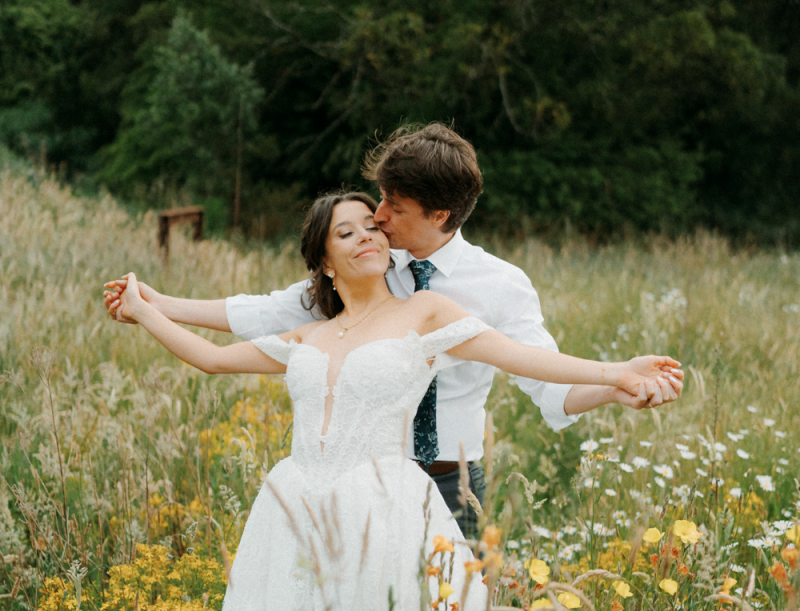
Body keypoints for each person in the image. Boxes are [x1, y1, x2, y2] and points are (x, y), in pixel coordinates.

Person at [107, 189, 682, 611]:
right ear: (324, 261)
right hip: (294, 514)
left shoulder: (426, 311)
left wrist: (617, 374)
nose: (368, 236)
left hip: (383, 509)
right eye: (347, 232)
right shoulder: (309, 335)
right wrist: (144, 309)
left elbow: (518, 357)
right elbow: (210, 358)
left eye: (371, 227)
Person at [104, 124, 682, 536]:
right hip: (367, 476)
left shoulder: (501, 286)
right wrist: (158, 303)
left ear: (440, 215)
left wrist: (616, 386)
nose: (377, 216)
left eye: (394, 206)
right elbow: (269, 312)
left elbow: (549, 386)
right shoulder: (371, 265)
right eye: (379, 199)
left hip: (453, 481)